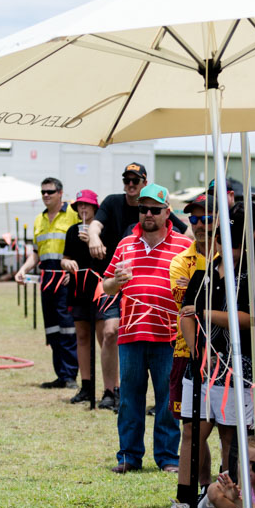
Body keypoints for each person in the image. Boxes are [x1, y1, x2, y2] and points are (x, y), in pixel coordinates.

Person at [101, 183, 192, 473]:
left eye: (154, 209)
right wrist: (116, 282)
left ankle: (167, 458)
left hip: (170, 336)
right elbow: (106, 286)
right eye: (143, 208)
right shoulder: (125, 244)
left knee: (168, 399)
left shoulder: (184, 246)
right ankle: (128, 456)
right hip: (131, 334)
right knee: (130, 399)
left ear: (167, 212)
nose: (148, 214)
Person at [86, 163, 187, 407]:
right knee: (110, 332)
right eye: (127, 180)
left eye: (135, 180)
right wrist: (93, 237)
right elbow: (96, 224)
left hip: (167, 332)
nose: (130, 184)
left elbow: (188, 232)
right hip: (125, 304)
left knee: (167, 399)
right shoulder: (115, 208)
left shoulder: (179, 241)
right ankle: (110, 391)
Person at [182, 206, 255, 476]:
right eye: (221, 236)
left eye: (234, 236)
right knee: (192, 432)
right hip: (200, 366)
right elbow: (185, 317)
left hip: (238, 367)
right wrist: (198, 352)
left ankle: (229, 492)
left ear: (251, 237)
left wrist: (204, 313)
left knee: (230, 436)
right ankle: (191, 493)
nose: (225, 243)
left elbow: (249, 320)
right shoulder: (202, 275)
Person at [162, 193, 219, 508]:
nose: (200, 225)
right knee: (191, 430)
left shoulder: (231, 260)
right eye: (194, 219)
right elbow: (185, 305)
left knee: (222, 431)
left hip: (226, 355)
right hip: (188, 354)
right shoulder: (180, 260)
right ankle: (190, 498)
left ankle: (213, 493)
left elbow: (207, 303)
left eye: (207, 218)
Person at [15, 177, 80, 391]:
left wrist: (75, 271)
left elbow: (81, 245)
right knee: (52, 329)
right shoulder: (39, 220)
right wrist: (23, 270)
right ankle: (60, 375)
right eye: (43, 192)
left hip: (66, 279)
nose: (45, 195)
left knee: (68, 329)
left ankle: (70, 375)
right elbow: (36, 254)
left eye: (50, 191)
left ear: (60, 193)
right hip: (46, 280)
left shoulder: (73, 214)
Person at [60, 189, 116, 406]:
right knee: (82, 336)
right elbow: (65, 258)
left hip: (100, 287)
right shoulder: (72, 231)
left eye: (87, 205)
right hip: (78, 287)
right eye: (79, 206)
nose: (83, 209)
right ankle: (86, 385)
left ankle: (111, 388)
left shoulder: (105, 230)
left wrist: (91, 241)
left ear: (95, 207)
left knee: (104, 337)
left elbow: (108, 258)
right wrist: (67, 264)